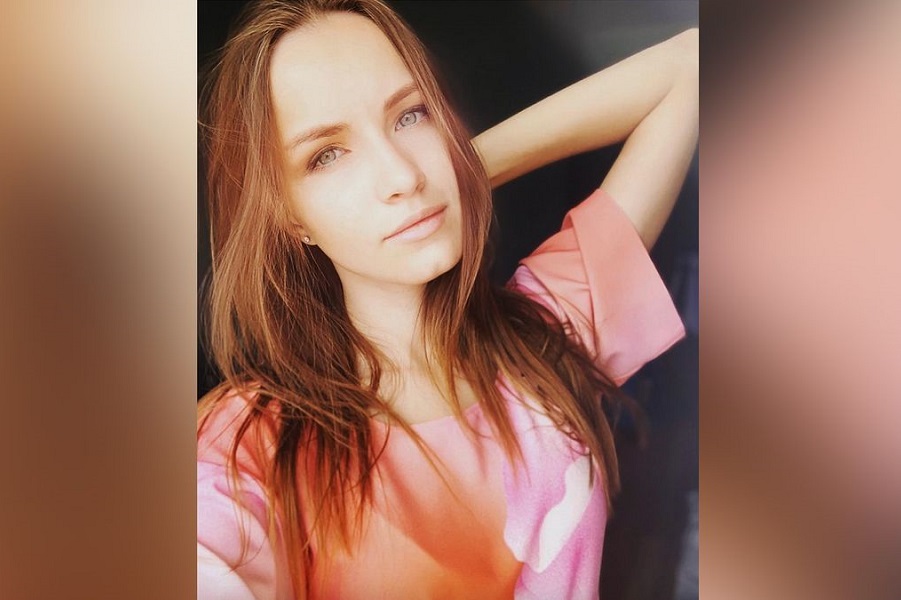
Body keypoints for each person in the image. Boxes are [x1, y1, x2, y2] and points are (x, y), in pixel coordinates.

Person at [197, 1, 698, 598]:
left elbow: (691, 65)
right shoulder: (250, 445)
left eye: (411, 115)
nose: (402, 175)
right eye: (326, 154)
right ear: (288, 216)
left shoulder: (547, 332)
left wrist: (460, 172)